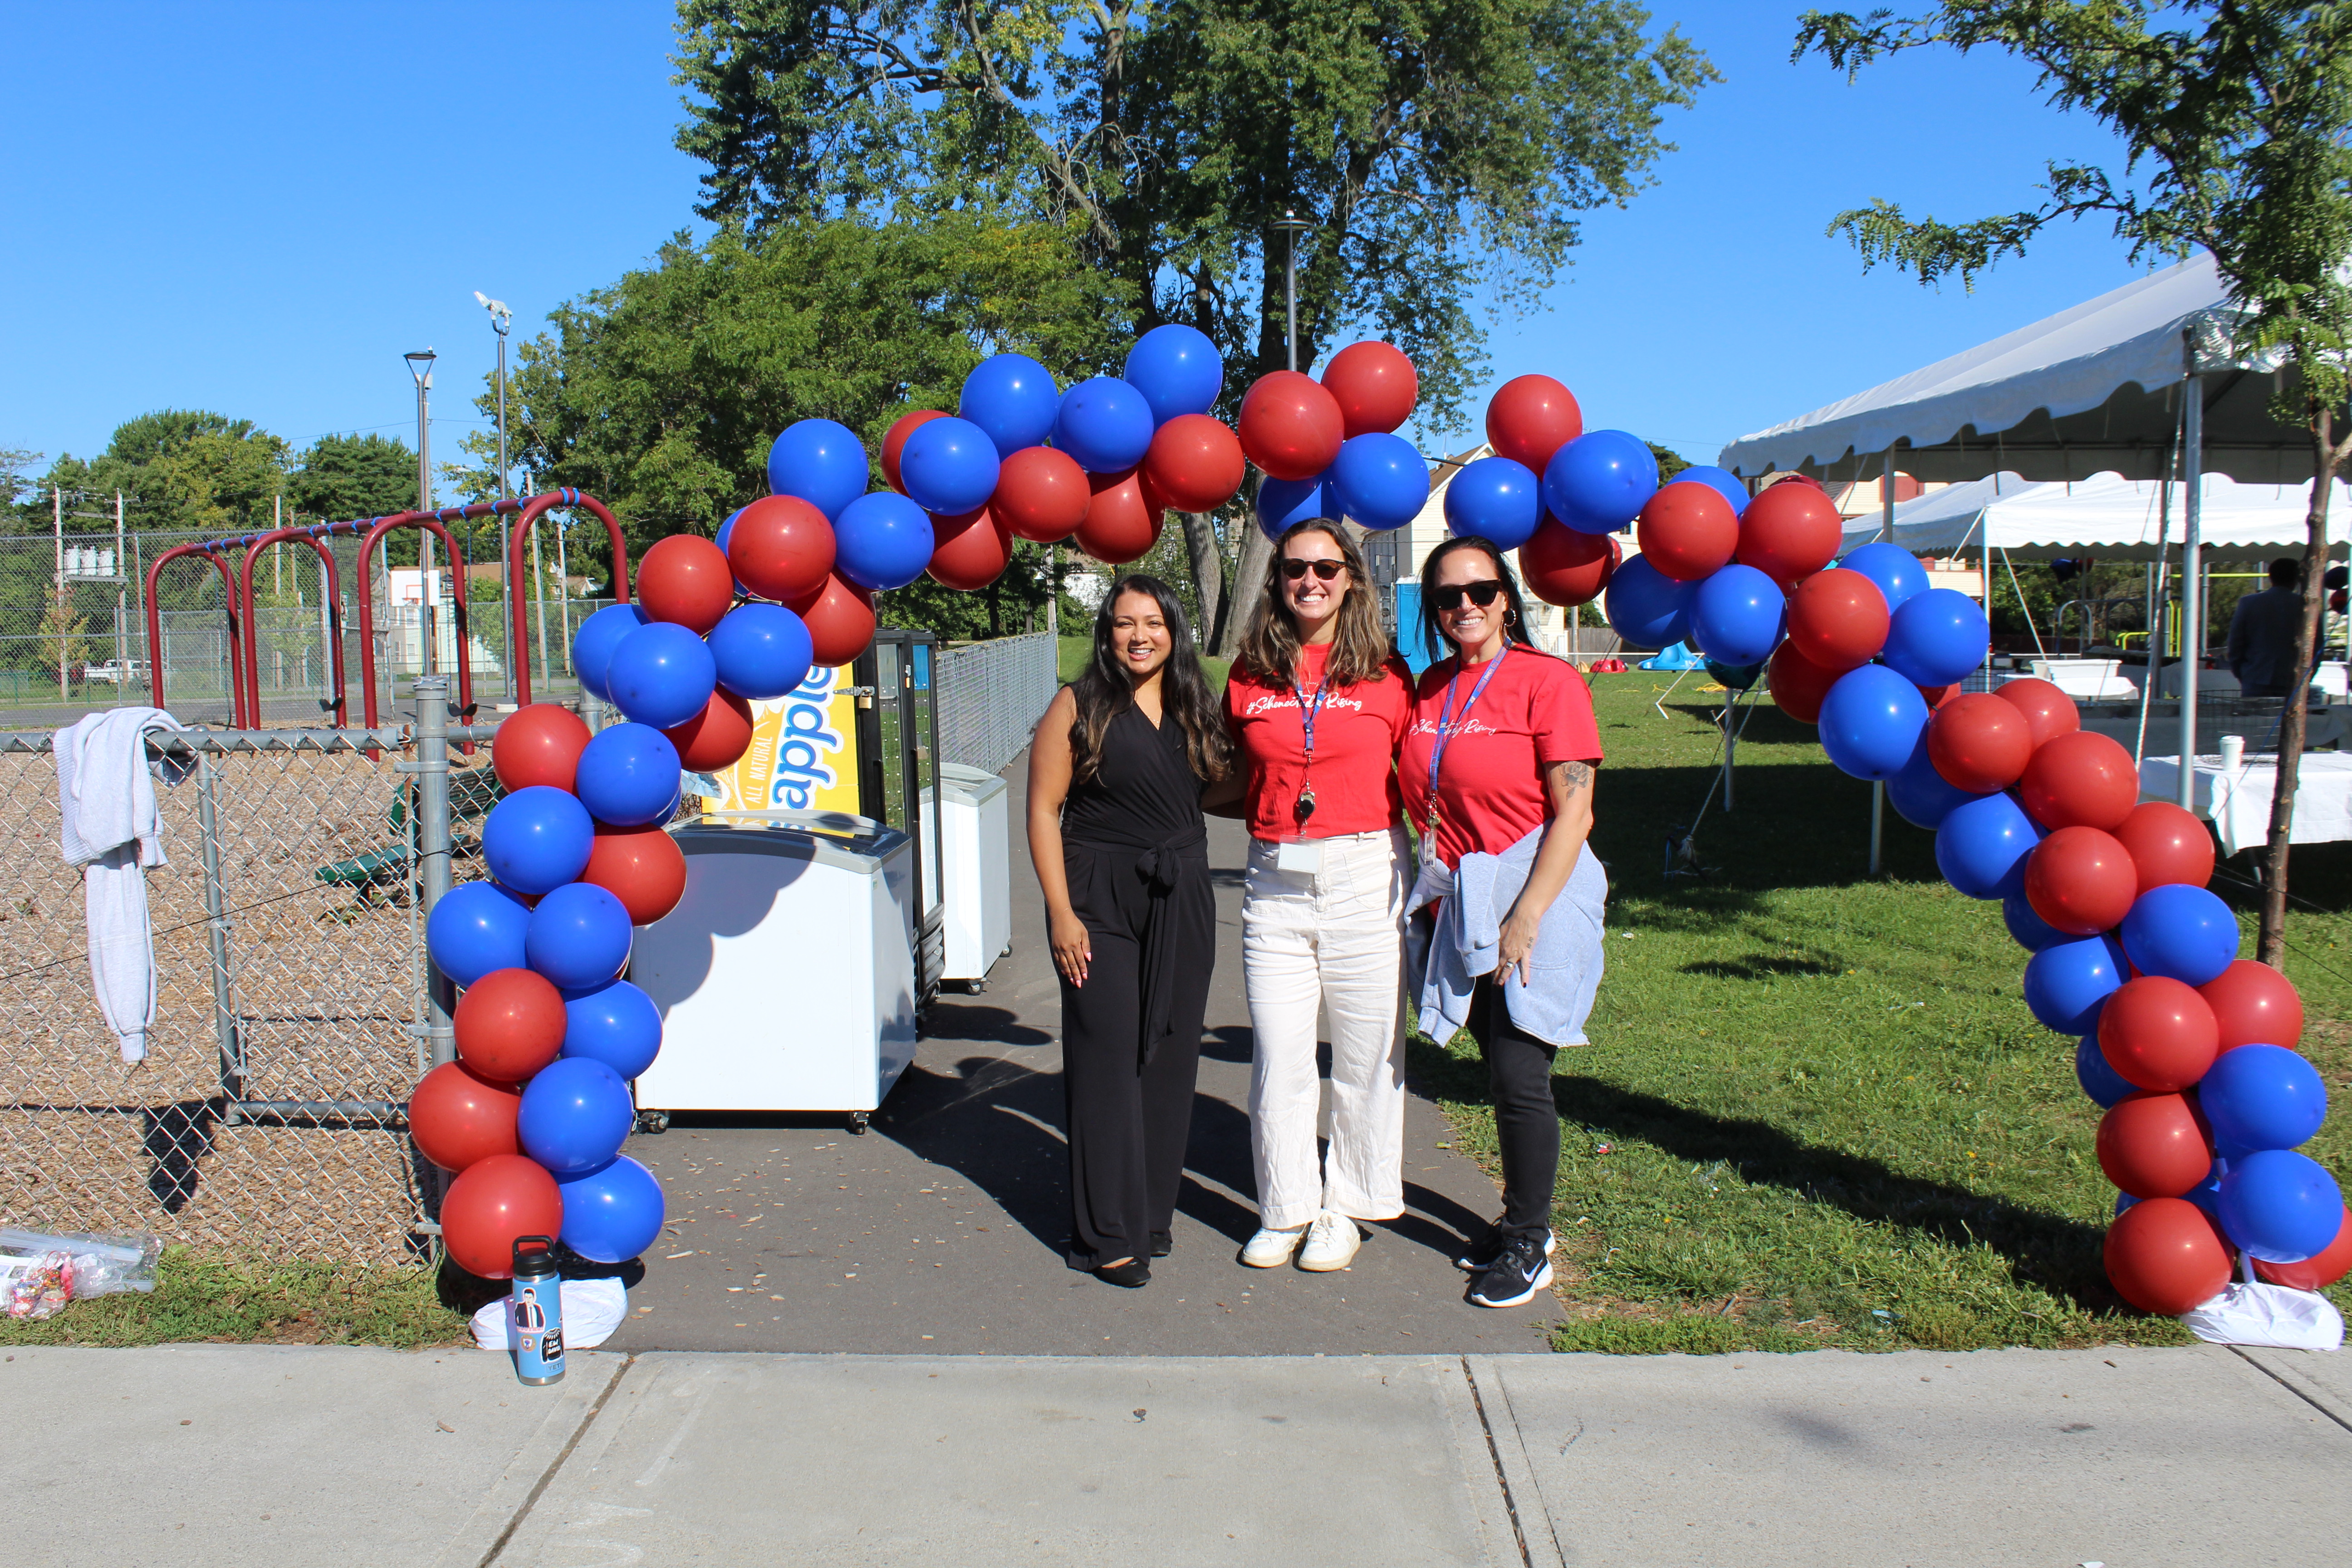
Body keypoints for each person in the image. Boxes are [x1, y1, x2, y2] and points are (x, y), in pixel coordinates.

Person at [1399, 535, 1606, 1309]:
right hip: (1463, 898)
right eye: (1446, 596)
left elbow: (1574, 809)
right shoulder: (1429, 688)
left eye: (1478, 591)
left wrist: (1526, 915)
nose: (1463, 607)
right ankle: (1515, 1215)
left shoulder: (1543, 683)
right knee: (1494, 1062)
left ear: (1505, 598)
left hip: (1533, 887)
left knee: (1521, 1070)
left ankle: (1530, 1237)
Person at [1214, 519, 1416, 1272]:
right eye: (1295, 568)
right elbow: (1228, 774)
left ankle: (1345, 1207)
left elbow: (1424, 771)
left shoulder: (1388, 675)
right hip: (1272, 880)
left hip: (1364, 873)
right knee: (1280, 1054)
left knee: (1365, 1057)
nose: (1310, 581)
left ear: (1350, 579)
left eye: (1326, 569)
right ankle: (1286, 1207)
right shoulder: (1248, 674)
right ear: (1277, 580)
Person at [1027, 575, 1231, 1288]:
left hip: (1183, 891)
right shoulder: (1077, 706)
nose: (1138, 635)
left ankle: (1150, 1216)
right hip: (1098, 896)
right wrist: (1060, 912)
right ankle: (1106, 1234)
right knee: (1107, 1055)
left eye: (1152, 622)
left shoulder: (1195, 705)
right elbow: (1044, 809)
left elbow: (1217, 787)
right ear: (1105, 633)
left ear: (1174, 631)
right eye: (1123, 623)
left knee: (1171, 1058)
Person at [2227, 557, 2311, 697]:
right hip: (2293, 679)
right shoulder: (2306, 606)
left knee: (2253, 718)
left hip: (2256, 676)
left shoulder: (2249, 603)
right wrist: (2307, 675)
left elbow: (2235, 643)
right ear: (2297, 579)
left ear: (2270, 577)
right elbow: (2317, 644)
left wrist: (2242, 673)